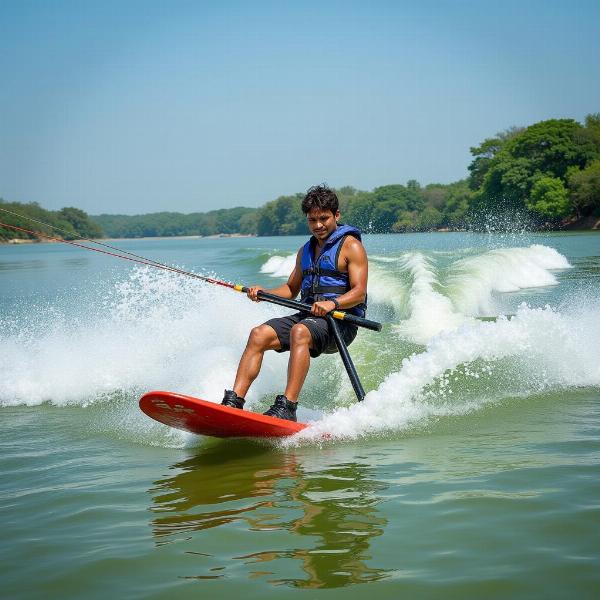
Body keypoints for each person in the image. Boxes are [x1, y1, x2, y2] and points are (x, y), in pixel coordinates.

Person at [222, 185, 368, 421]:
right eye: (312, 220)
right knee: (258, 334)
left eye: (324, 218)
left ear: (336, 215)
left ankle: (287, 407)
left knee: (300, 331)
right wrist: (263, 291)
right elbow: (291, 289)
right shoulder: (305, 251)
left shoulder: (351, 246)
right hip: (308, 316)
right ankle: (233, 403)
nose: (318, 225)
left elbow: (359, 293)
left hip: (339, 324)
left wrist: (333, 304)